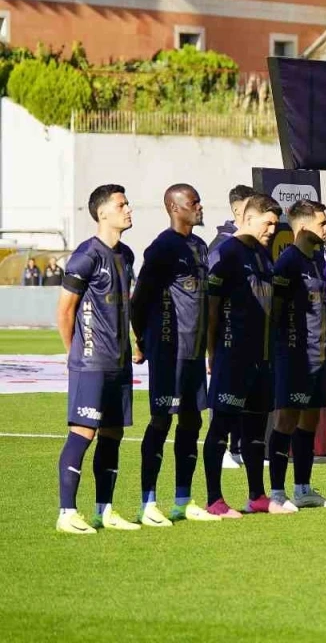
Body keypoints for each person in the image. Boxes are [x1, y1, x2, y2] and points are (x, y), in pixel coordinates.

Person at [129, 183, 219, 526]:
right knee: (161, 420)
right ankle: (147, 502)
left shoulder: (198, 245)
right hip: (170, 350)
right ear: (173, 207)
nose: (199, 206)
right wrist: (141, 340)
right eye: (193, 202)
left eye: (198, 200)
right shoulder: (163, 247)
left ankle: (183, 499)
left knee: (193, 420)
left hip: (194, 351)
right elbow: (140, 301)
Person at [54, 184, 141, 535]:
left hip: (118, 363)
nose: (128, 208)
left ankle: (104, 510)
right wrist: (73, 353)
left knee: (113, 434)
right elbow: (64, 312)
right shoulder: (85, 256)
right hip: (90, 363)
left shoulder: (128, 255)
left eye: (127, 202)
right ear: (102, 212)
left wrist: (134, 343)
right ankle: (66, 512)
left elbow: (126, 306)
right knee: (83, 432)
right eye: (122, 204)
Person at [203, 193, 280, 518]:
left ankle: (257, 496)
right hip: (232, 356)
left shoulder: (262, 254)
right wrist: (212, 352)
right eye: (268, 223)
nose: (273, 230)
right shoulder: (226, 252)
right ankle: (214, 500)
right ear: (248, 219)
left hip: (261, 359)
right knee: (221, 426)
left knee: (255, 431)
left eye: (276, 224)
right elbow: (211, 308)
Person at [268, 200, 326, 511]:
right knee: (286, 420)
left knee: (309, 422)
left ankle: (303, 488)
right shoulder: (288, 261)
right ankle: (276, 492)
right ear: (302, 226)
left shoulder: (317, 260)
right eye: (322, 223)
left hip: (318, 353)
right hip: (294, 355)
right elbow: (276, 311)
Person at [209, 183, 258, 470]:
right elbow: (213, 297)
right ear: (240, 211)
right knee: (224, 393)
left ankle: (238, 448)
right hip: (228, 334)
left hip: (249, 335)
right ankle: (224, 447)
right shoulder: (223, 247)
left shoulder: (252, 247)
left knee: (246, 394)